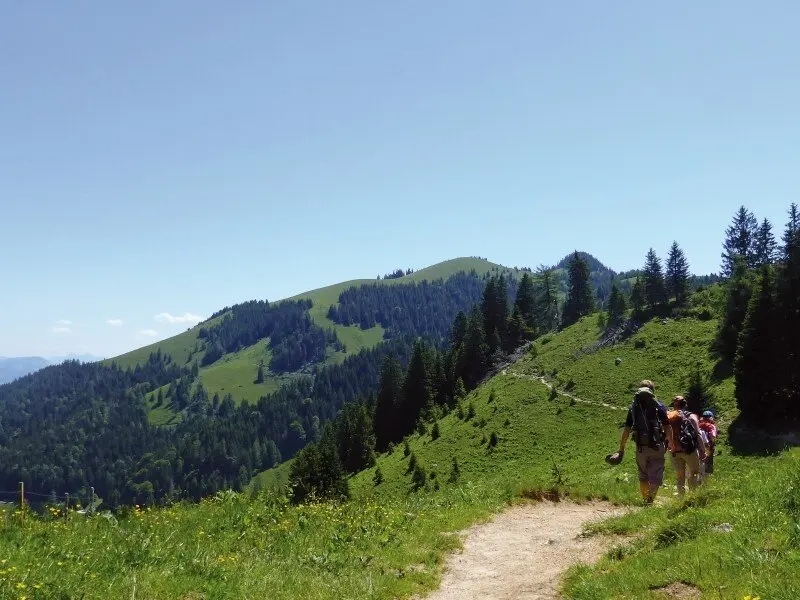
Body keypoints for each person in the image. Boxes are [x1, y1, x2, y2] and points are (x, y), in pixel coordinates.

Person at [607, 380, 671, 504]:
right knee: (656, 474)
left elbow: (626, 430)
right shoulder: (660, 406)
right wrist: (671, 443)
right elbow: (668, 427)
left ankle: (645, 499)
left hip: (641, 446)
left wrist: (621, 449)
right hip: (658, 445)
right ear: (653, 391)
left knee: (643, 475)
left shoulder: (633, 408)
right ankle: (650, 500)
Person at [666, 396, 706, 495]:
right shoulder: (691, 416)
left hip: (674, 451)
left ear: (674, 406)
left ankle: (681, 498)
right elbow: (698, 434)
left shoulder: (669, 416)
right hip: (689, 450)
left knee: (680, 476)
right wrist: (703, 451)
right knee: (693, 473)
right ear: (686, 405)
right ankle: (693, 497)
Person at [699, 410, 718, 478]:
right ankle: (706, 479)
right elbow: (713, 436)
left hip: (698, 446)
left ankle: (699, 477)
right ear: (711, 417)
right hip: (708, 446)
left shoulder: (699, 425)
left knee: (700, 460)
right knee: (708, 461)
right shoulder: (711, 426)